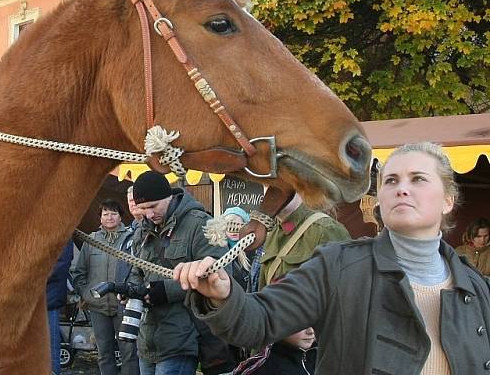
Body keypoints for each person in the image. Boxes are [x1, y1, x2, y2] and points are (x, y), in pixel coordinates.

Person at [175, 142, 490, 374]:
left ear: (448, 200)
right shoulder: (339, 265)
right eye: (391, 181)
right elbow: (261, 319)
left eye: (418, 178)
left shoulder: (477, 289)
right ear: (379, 197)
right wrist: (224, 295)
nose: (401, 189)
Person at [128, 171, 227, 375]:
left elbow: (219, 273)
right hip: (148, 340)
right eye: (143, 208)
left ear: (169, 196)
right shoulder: (142, 230)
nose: (148, 214)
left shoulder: (200, 223)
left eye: (153, 206)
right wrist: (131, 289)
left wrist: (165, 291)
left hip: (183, 337)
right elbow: (136, 269)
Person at [72, 200, 139, 375]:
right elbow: (78, 273)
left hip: (123, 306)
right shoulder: (91, 240)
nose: (109, 217)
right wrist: (87, 295)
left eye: (114, 213)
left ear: (121, 217)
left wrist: (130, 291)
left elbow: (137, 270)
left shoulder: (130, 239)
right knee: (104, 352)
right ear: (100, 217)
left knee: (129, 352)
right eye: (106, 214)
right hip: (98, 307)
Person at [257, 192, 351, 289]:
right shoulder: (273, 233)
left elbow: (343, 291)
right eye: (266, 186)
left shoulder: (326, 230)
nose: (270, 193)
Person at [232, 328, 317, 375]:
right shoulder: (263, 368)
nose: (311, 331)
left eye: (315, 322)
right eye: (301, 324)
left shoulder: (321, 355)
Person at [47, 239, 74, 375]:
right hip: (27, 295)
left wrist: (35, 277)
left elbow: (63, 261)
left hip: (48, 295)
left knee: (51, 342)